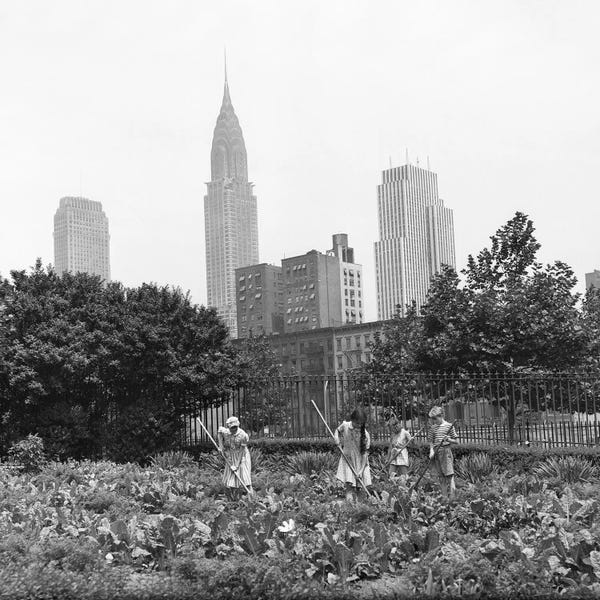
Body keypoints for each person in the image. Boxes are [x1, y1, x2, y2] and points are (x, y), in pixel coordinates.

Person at [334, 407, 371, 501]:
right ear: (352, 419)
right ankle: (350, 507)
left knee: (361, 487)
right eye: (357, 423)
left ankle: (360, 507)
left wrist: (361, 471)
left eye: (361, 423)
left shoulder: (365, 435)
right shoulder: (345, 425)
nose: (359, 425)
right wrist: (337, 439)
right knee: (349, 486)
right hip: (348, 459)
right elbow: (337, 431)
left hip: (360, 462)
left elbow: (365, 454)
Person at [217, 416, 252, 500]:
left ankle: (251, 499)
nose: (234, 429)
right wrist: (220, 446)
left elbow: (241, 451)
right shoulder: (226, 432)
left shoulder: (243, 435)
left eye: (235, 427)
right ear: (229, 427)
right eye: (232, 427)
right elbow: (219, 432)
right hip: (230, 457)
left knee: (245, 479)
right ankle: (233, 500)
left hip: (242, 457)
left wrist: (236, 465)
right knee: (230, 480)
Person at [427, 407, 458, 501]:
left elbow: (456, 441)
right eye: (432, 419)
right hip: (437, 452)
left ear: (441, 416)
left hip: (446, 451)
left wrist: (448, 439)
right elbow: (431, 442)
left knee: (449, 475)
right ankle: (444, 498)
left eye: (435, 418)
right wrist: (431, 451)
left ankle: (453, 498)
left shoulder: (449, 426)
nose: (433, 421)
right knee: (441, 477)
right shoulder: (433, 428)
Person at [387, 417, 412, 482]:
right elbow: (390, 447)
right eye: (393, 428)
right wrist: (388, 458)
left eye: (396, 426)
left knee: (404, 475)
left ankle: (406, 487)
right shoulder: (393, 435)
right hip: (394, 455)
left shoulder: (405, 433)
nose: (395, 428)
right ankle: (393, 487)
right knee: (391, 475)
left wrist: (410, 441)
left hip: (402, 455)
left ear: (399, 424)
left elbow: (412, 444)